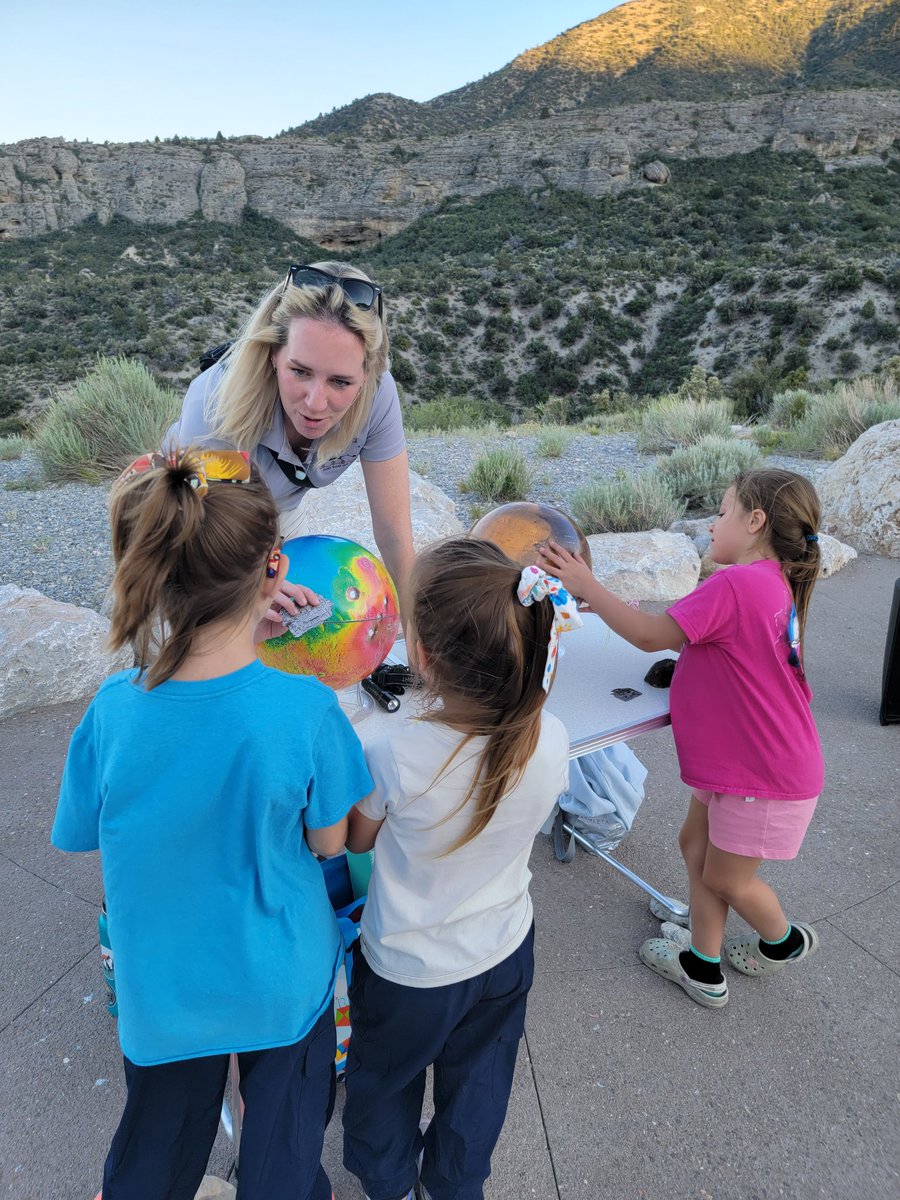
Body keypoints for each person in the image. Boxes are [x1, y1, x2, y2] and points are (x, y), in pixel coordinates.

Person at [51, 447, 374, 1200]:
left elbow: (84, 830)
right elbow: (330, 844)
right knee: (286, 1147)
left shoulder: (112, 711)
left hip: (162, 988)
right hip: (280, 982)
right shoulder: (305, 710)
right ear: (273, 567)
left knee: (156, 1147)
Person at [539, 468, 824, 1009]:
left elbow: (651, 638)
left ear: (755, 521)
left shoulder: (738, 582)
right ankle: (704, 955)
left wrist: (586, 586)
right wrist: (606, 604)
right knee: (694, 846)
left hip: (760, 773)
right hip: (736, 763)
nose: (713, 524)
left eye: (722, 512)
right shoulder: (770, 580)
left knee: (727, 878)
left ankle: (783, 943)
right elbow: (683, 629)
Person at [341, 538, 573, 1200]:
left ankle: (388, 1185)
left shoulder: (392, 749)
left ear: (422, 657)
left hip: (408, 970)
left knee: (384, 1087)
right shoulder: (550, 737)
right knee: (479, 1091)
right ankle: (455, 1186)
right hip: (504, 952)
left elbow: (357, 841)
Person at [168, 261, 415, 622]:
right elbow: (201, 523)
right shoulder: (218, 403)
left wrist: (415, 633)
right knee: (213, 634)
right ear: (273, 355)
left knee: (301, 624)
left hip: (279, 512)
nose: (316, 403)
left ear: (366, 375)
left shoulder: (378, 395)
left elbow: (394, 535)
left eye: (340, 382)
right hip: (196, 513)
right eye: (299, 371)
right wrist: (252, 582)